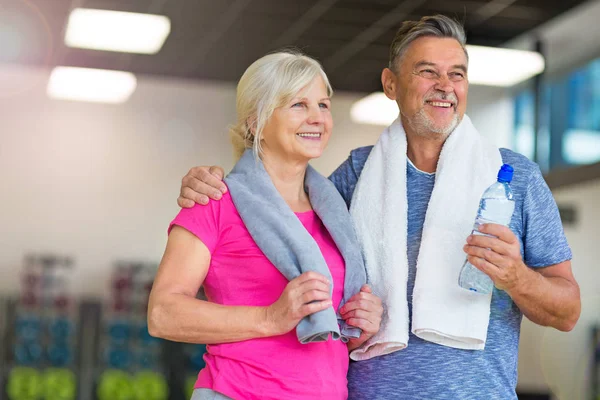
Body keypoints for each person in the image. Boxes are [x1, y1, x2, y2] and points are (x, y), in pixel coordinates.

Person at [175, 15, 581, 399]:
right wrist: (212, 183)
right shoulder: (356, 173)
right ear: (391, 84)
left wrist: (516, 278)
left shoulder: (514, 177)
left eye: (456, 74)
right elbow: (279, 217)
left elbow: (567, 312)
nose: (445, 85)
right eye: (427, 71)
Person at [147, 51, 383, 400]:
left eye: (323, 104)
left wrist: (362, 325)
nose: (317, 118)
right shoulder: (215, 201)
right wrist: (271, 318)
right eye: (298, 105)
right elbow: (162, 313)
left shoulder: (336, 216)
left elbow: (330, 334)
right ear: (255, 122)